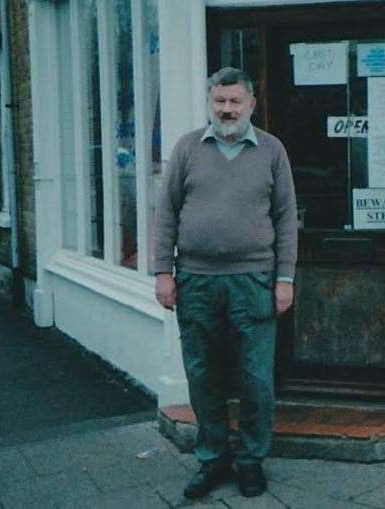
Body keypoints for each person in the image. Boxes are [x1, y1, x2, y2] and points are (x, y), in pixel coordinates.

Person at [153, 67, 297, 499]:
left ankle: (251, 460)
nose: (227, 109)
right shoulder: (186, 149)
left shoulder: (272, 151)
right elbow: (166, 214)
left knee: (256, 378)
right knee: (203, 374)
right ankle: (212, 459)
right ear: (209, 103)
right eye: (220, 101)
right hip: (196, 282)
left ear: (251, 104)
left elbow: (287, 219)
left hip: (253, 281)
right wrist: (163, 271)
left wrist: (284, 279)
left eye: (235, 101)